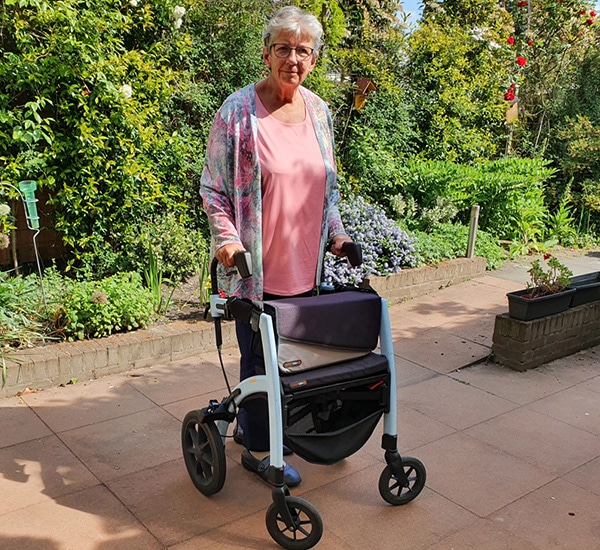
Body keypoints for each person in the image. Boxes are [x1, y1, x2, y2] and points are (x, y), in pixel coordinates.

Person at [199, 5, 351, 487]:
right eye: (283, 48)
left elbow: (326, 191)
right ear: (266, 54)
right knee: (260, 363)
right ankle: (260, 448)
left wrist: (338, 233)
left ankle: (299, 435)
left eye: (303, 50)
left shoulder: (321, 112)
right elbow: (214, 189)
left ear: (314, 58)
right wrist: (225, 239)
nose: (293, 58)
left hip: (308, 271)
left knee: (302, 360)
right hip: (255, 273)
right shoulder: (238, 112)